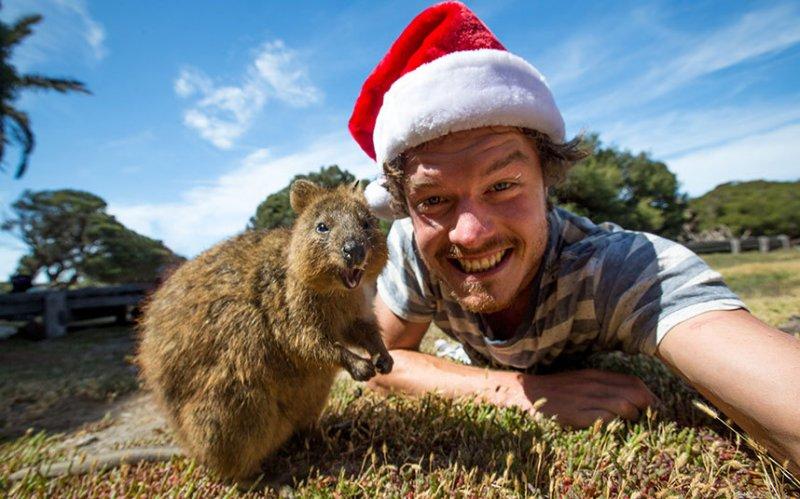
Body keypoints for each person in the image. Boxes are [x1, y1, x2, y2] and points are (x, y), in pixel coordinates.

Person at [348, 1, 800, 469]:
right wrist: (517, 392)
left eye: (502, 186)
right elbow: (378, 361)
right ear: (405, 207)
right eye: (434, 200)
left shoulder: (617, 267)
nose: (470, 233)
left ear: (548, 179)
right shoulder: (412, 246)